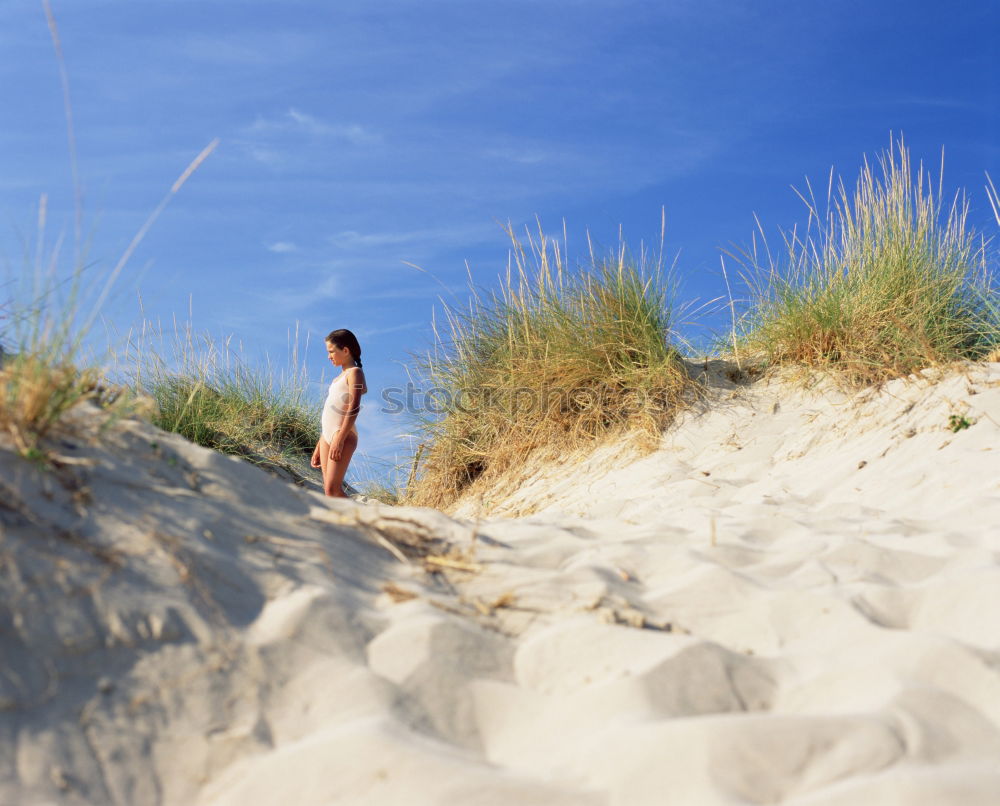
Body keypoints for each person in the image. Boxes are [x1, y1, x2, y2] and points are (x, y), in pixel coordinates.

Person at [311, 328, 367, 497]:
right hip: (328, 436)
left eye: (331, 351)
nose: (329, 356)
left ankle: (363, 521)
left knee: (333, 489)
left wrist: (339, 438)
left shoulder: (355, 373)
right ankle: (346, 523)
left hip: (342, 434)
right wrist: (320, 444)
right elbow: (329, 415)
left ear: (345, 350)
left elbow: (354, 407)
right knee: (329, 492)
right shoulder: (337, 379)